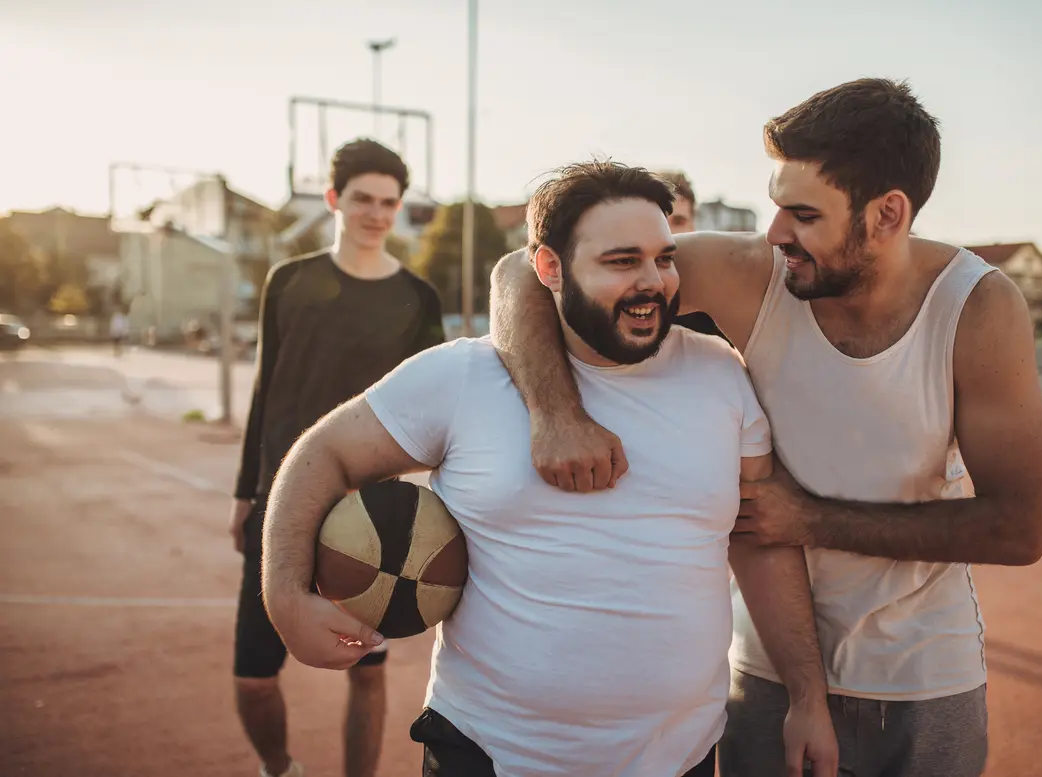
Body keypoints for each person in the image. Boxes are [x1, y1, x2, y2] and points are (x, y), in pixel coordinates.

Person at [487, 79, 1042, 777]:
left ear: (887, 214)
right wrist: (555, 414)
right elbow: (523, 271)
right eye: (775, 204)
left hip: (924, 678)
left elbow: (1020, 527)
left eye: (803, 212)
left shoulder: (976, 308)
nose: (776, 230)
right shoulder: (754, 275)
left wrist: (809, 518)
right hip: (765, 673)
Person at [261, 160, 839, 777]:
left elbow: (759, 539)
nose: (654, 283)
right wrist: (285, 595)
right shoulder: (460, 377)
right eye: (621, 262)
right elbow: (323, 451)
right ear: (549, 269)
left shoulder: (722, 374)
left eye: (663, 258)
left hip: (679, 757)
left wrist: (808, 695)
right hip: (489, 753)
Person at [228, 138, 445, 777]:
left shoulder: (418, 298)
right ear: (334, 200)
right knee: (254, 680)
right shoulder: (289, 282)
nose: (377, 213)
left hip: (368, 516)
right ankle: (280, 769)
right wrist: (245, 492)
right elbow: (266, 390)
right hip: (281, 503)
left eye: (389, 202)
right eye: (363, 199)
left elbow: (434, 409)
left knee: (366, 671)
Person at [655, 171, 724, 339]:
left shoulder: (715, 299)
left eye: (678, 221)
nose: (668, 233)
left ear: (692, 226)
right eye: (659, 221)